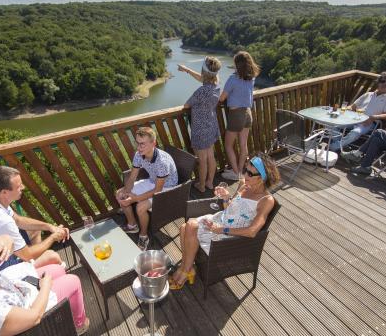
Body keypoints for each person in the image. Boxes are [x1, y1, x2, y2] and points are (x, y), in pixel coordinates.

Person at [169, 152, 280, 290]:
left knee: (190, 226)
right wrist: (227, 198)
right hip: (221, 220)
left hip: (230, 236)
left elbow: (252, 232)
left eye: (251, 174)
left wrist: (221, 229)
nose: (245, 176)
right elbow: (230, 208)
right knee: (184, 227)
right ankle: (187, 267)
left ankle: (185, 270)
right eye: (245, 170)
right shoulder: (244, 185)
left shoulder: (266, 200)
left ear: (262, 178)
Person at [0, 166, 70, 270]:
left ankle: (34, 263)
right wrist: (53, 237)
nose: (23, 187)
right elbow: (27, 254)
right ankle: (35, 270)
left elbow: (18, 220)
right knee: (53, 256)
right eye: (18, 186)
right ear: (4, 192)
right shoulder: (1, 220)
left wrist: (49, 227)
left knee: (35, 230)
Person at [116, 127, 178, 250]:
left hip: (168, 188)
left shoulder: (162, 162)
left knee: (140, 207)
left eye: (142, 144)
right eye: (137, 143)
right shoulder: (139, 155)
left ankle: (143, 236)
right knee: (119, 193)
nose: (139, 147)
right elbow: (132, 177)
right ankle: (132, 225)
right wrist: (127, 193)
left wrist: (135, 198)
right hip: (153, 181)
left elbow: (158, 191)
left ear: (153, 143)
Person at [177, 56, 222, 193]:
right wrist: (186, 70)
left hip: (200, 129)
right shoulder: (216, 86)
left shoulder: (201, 91)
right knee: (210, 156)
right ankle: (209, 183)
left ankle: (201, 186)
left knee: (202, 160)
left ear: (204, 72)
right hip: (212, 125)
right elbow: (204, 79)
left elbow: (187, 104)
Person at [329, 71, 386, 151]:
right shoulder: (368, 94)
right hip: (354, 118)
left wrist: (373, 117)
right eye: (382, 81)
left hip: (368, 122)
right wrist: (341, 110)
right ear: (378, 82)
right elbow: (353, 106)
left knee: (355, 133)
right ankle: (341, 145)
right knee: (331, 125)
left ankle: (334, 147)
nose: (384, 84)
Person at [219, 51, 260, 180]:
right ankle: (241, 170)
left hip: (236, 114)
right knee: (243, 145)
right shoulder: (251, 77)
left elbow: (222, 98)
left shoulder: (233, 79)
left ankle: (236, 173)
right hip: (247, 113)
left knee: (228, 145)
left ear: (238, 64)